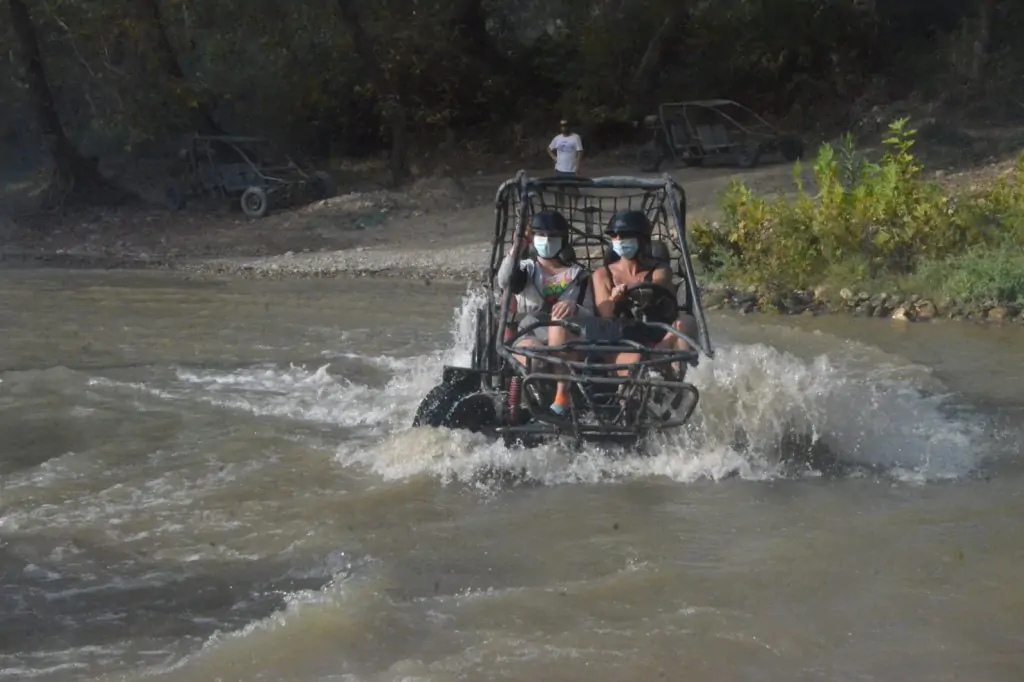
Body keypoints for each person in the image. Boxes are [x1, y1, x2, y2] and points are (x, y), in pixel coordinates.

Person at [496, 210, 594, 416]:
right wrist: (517, 247)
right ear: (534, 240)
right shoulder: (526, 269)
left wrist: (574, 306)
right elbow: (504, 281)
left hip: (570, 336)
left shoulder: (579, 275)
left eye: (553, 237)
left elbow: (592, 314)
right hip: (531, 331)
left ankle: (562, 395)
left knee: (562, 326)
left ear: (563, 240)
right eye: (541, 236)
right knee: (537, 359)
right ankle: (533, 401)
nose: (547, 241)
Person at [591, 210, 698, 381]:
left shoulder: (660, 269)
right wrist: (614, 299)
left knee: (687, 322)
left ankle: (681, 377)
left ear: (641, 239)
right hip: (623, 340)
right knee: (636, 359)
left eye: (625, 236)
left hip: (659, 337)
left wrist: (634, 290)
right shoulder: (602, 274)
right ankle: (644, 381)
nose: (619, 240)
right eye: (614, 236)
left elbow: (658, 285)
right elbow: (606, 314)